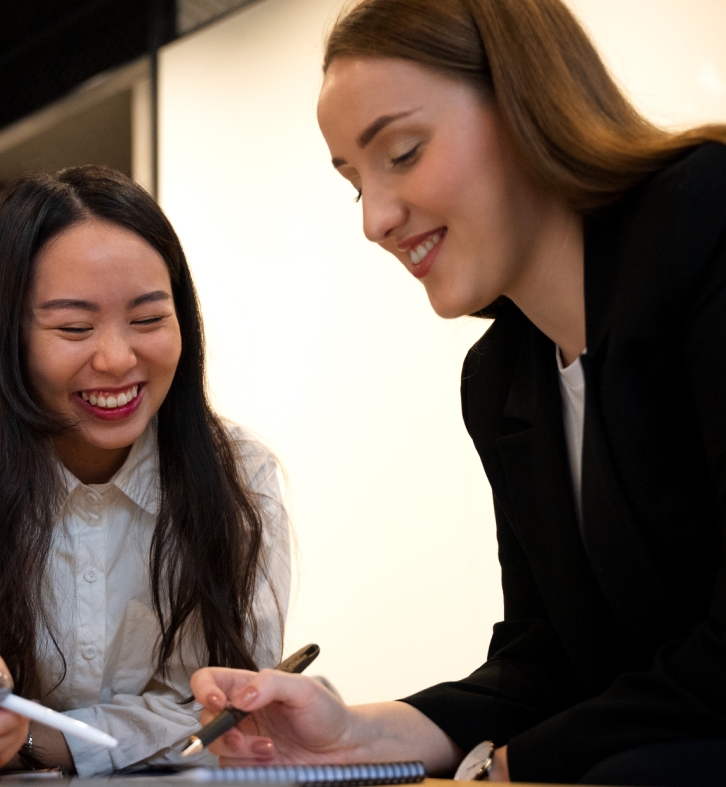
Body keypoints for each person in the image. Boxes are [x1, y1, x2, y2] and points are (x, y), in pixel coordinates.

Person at [189, 0, 726, 784]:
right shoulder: (503, 377)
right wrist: (347, 732)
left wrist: (515, 765)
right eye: (354, 183)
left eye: (401, 153)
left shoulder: (702, 219)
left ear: (526, 102)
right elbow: (544, 663)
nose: (375, 219)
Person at [0, 166, 290, 777]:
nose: (118, 359)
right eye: (73, 328)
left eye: (149, 319)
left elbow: (219, 706)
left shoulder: (238, 478)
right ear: (8, 336)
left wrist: (33, 744)